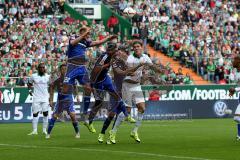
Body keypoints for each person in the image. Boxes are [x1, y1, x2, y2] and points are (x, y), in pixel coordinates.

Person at [108, 40, 163, 143]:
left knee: (142, 108)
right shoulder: (130, 59)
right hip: (127, 85)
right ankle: (113, 131)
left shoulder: (145, 57)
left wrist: (159, 70)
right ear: (133, 49)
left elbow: (151, 66)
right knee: (127, 112)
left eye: (138, 46)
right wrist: (140, 66)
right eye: (135, 47)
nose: (137, 48)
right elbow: (131, 72)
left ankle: (134, 131)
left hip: (137, 85)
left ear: (142, 47)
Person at [62, 27, 116, 122]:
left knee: (88, 88)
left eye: (88, 34)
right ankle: (62, 108)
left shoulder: (85, 42)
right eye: (87, 34)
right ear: (81, 32)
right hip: (71, 66)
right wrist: (84, 34)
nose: (88, 36)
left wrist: (108, 38)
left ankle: (84, 112)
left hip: (82, 68)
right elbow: (72, 43)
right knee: (65, 89)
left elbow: (97, 42)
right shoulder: (74, 37)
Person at [83, 42, 134, 141]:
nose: (117, 51)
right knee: (99, 103)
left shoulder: (114, 56)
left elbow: (120, 64)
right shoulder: (104, 56)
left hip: (106, 79)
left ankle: (127, 116)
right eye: (116, 50)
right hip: (97, 83)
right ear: (111, 50)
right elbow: (96, 69)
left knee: (116, 96)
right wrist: (107, 64)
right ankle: (89, 121)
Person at [46, 64, 80, 139]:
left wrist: (77, 96)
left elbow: (75, 87)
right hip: (60, 100)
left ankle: (77, 132)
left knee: (72, 115)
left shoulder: (71, 79)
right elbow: (51, 88)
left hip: (69, 99)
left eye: (65, 69)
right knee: (54, 116)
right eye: (62, 69)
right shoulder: (58, 80)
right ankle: (48, 133)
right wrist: (51, 100)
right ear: (60, 71)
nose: (64, 70)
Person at [28, 63, 50, 135]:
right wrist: (30, 91)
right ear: (38, 69)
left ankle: (44, 130)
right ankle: (34, 130)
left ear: (45, 69)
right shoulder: (33, 76)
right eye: (40, 67)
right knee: (35, 114)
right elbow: (29, 83)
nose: (42, 69)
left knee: (45, 114)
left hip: (45, 97)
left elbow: (52, 85)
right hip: (36, 97)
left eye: (43, 67)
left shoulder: (48, 76)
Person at [229, 56, 240, 140]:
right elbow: (234, 81)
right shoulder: (236, 72)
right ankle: (239, 135)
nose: (233, 62)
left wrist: (235, 89)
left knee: (237, 117)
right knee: (238, 118)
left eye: (235, 60)